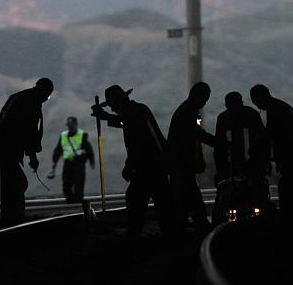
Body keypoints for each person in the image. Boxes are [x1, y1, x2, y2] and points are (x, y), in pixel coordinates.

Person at [91, 84, 173, 238]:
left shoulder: (134, 112)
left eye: (113, 105)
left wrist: (129, 166)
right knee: (161, 202)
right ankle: (167, 234)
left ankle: (138, 234)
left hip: (150, 166)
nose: (113, 109)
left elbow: (138, 143)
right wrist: (105, 116)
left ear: (119, 102)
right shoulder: (137, 110)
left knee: (138, 199)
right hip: (155, 165)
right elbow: (124, 122)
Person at [0, 77, 52, 224]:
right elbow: (28, 132)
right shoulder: (32, 103)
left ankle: (9, 217)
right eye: (48, 96)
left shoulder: (20, 97)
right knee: (18, 182)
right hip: (7, 147)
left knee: (10, 182)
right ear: (44, 92)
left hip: (1, 145)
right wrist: (33, 157)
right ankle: (14, 218)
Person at [250, 84, 293, 219]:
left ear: (260, 98)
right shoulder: (279, 107)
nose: (257, 105)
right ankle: (292, 216)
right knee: (291, 188)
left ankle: (290, 217)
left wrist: (260, 152)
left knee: (288, 188)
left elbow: (270, 136)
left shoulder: (275, 110)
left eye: (255, 101)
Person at [165, 82, 217, 235]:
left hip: (181, 164)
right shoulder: (188, 112)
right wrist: (220, 143)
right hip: (181, 164)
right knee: (186, 198)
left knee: (188, 197)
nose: (205, 102)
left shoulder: (187, 110)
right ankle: (188, 229)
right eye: (205, 98)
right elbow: (198, 135)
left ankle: (190, 227)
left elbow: (195, 138)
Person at [212, 91, 270, 222]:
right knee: (259, 201)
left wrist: (221, 171)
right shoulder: (252, 115)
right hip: (249, 168)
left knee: (225, 204)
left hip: (236, 169)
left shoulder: (224, 118)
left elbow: (219, 148)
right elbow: (263, 142)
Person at [48, 115, 95, 205]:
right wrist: (54, 164)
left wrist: (91, 161)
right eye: (69, 125)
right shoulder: (63, 136)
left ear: (76, 125)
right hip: (68, 164)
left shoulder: (82, 135)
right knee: (66, 186)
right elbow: (58, 150)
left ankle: (77, 207)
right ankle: (70, 204)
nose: (70, 127)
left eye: (72, 125)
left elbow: (88, 149)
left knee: (79, 187)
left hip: (79, 164)